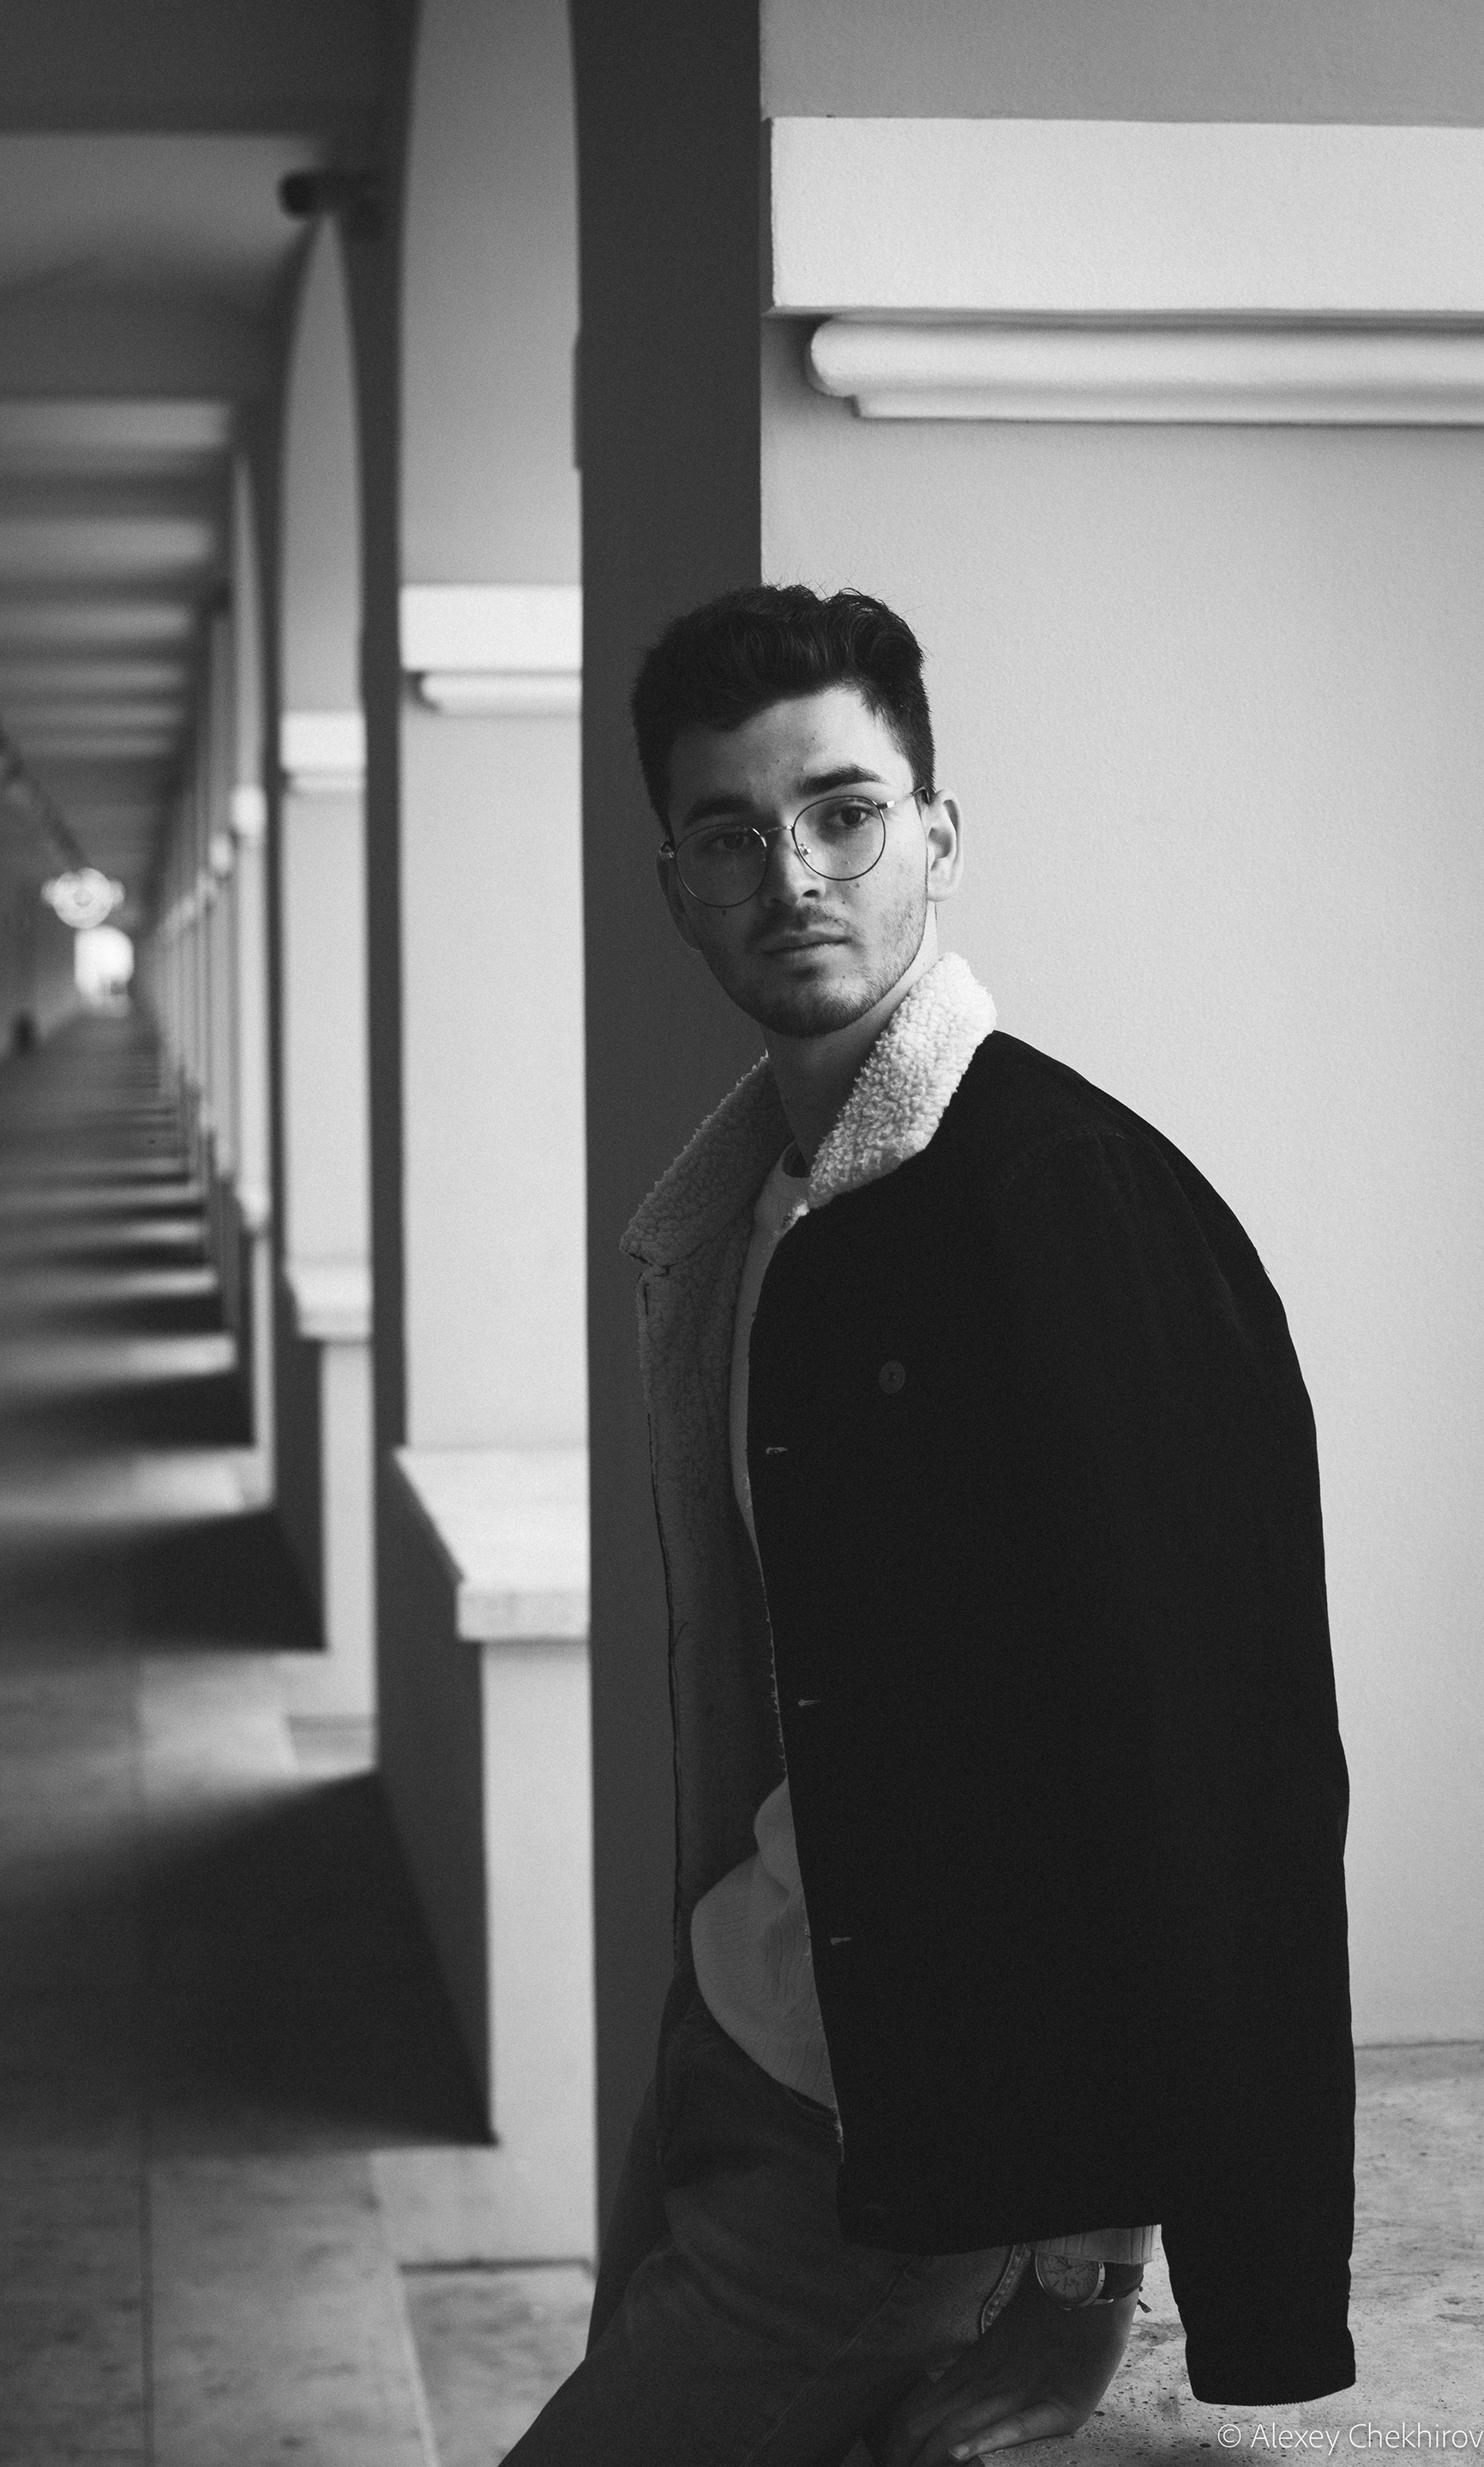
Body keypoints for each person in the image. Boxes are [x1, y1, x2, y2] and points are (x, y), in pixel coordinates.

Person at [506, 585, 1355, 2465]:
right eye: (732, 835)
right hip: (739, 2040)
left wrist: (1087, 2281)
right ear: (676, 886)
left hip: (906, 2165)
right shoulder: (752, 1214)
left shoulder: (1074, 1205)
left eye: (844, 813)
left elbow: (1214, 1768)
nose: (793, 874)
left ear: (940, 837)